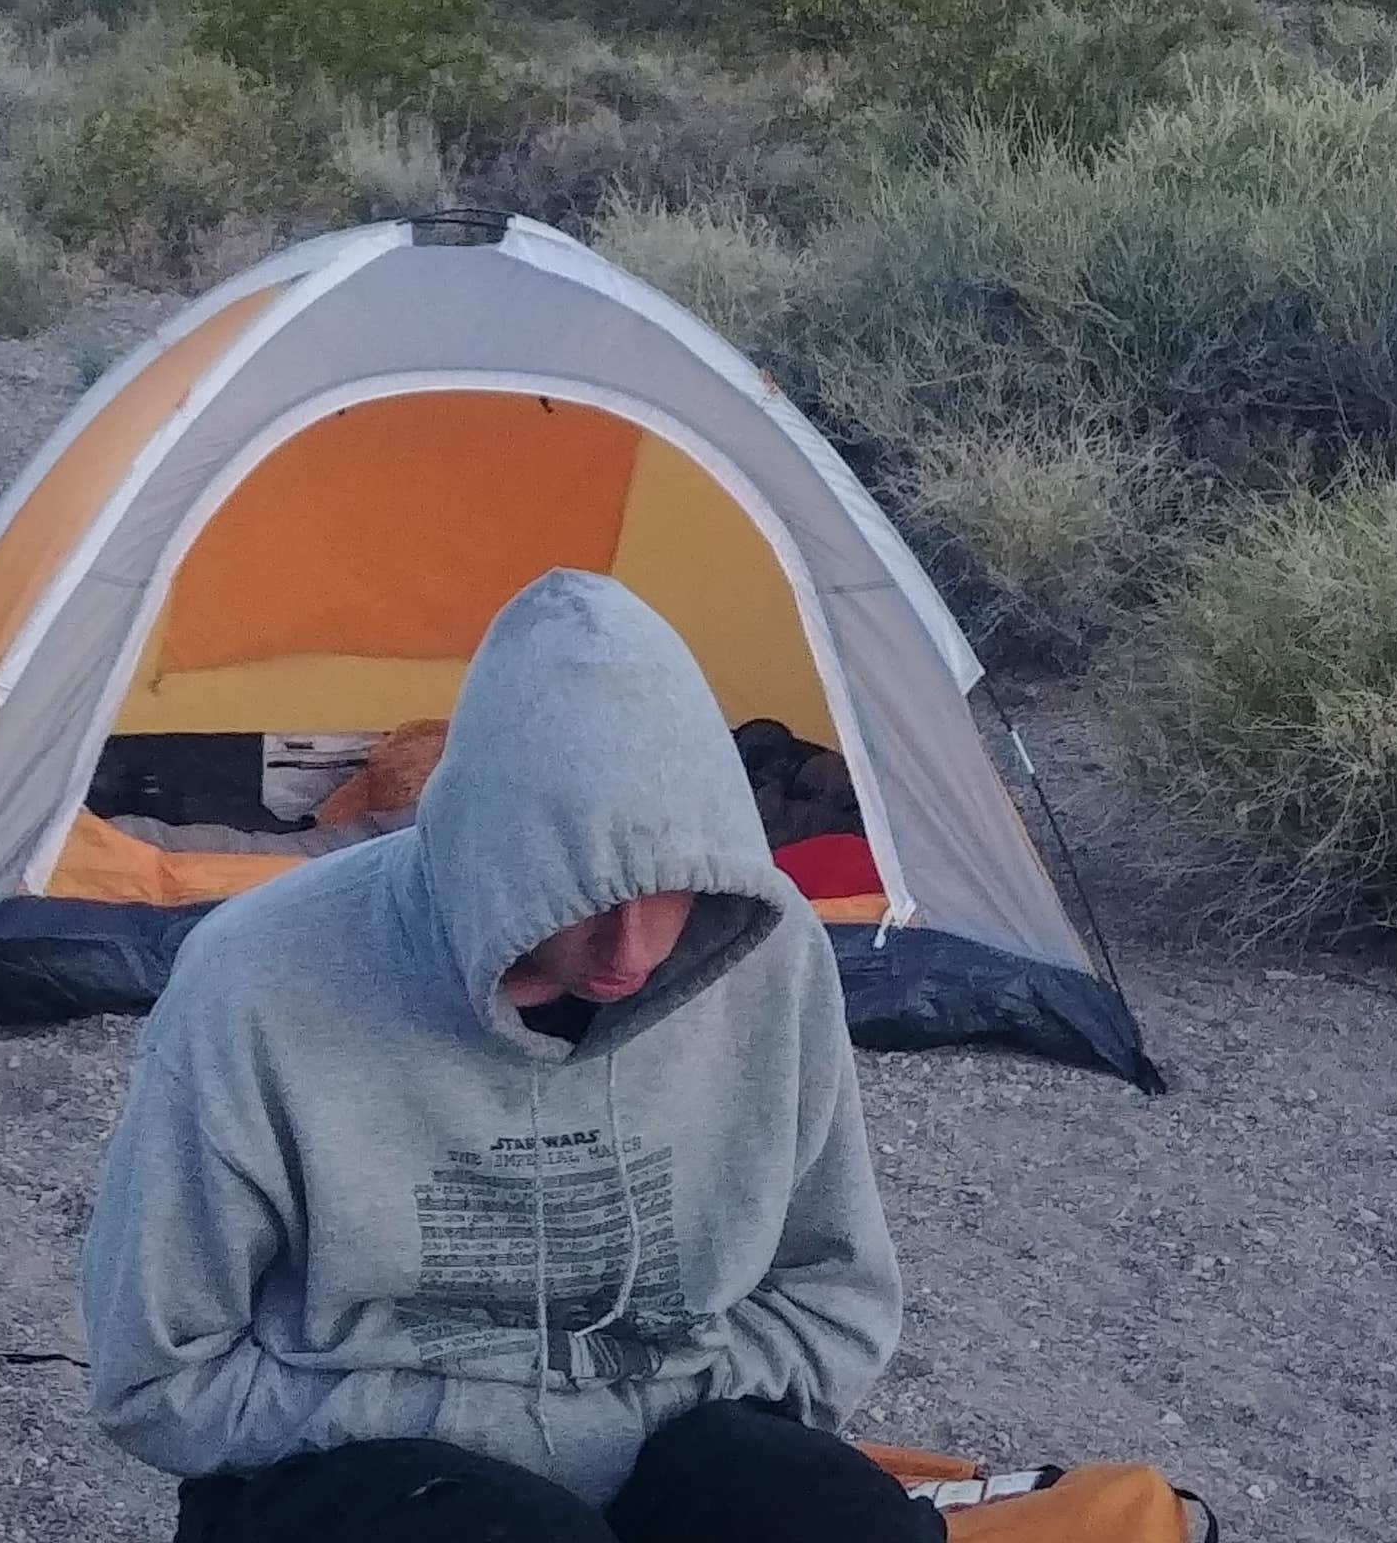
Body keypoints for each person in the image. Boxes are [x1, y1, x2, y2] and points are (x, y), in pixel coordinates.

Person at [80, 570, 936, 1542]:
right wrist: (519, 1441)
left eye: (669, 889)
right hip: (348, 1465)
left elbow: (831, 1293)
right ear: (495, 856)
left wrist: (611, 1431)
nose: (628, 949)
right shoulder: (255, 979)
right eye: (576, 898)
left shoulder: (769, 957)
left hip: (670, 1422)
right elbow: (158, 1376)